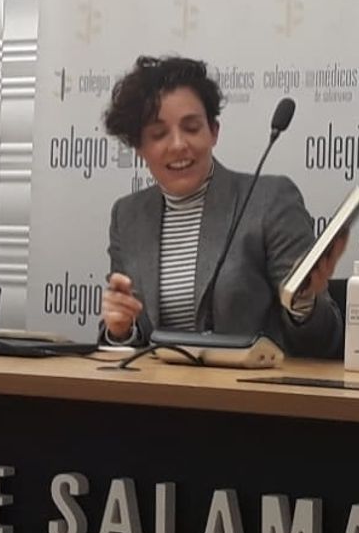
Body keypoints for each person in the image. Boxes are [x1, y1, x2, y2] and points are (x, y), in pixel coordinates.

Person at [99, 55, 342, 357]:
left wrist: (304, 303)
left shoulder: (268, 200)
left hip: (250, 398)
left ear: (213, 131)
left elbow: (323, 343)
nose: (178, 145)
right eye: (158, 134)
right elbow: (129, 342)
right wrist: (120, 329)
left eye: (191, 128)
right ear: (139, 148)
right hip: (157, 395)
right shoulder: (128, 216)